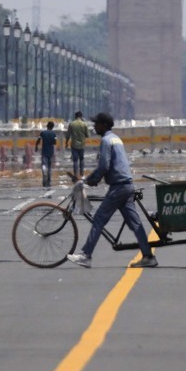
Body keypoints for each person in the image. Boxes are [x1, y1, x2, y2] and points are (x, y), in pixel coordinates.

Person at [67, 113, 157, 269]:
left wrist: (89, 180)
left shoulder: (106, 141)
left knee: (98, 219)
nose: (94, 127)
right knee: (135, 223)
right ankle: (148, 256)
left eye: (96, 124)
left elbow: (104, 166)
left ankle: (86, 256)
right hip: (127, 185)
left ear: (103, 125)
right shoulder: (116, 139)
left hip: (118, 187)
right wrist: (92, 179)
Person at [65, 111, 89, 180]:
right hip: (82, 145)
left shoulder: (72, 124)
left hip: (74, 145)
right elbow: (87, 135)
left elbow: (68, 135)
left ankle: (75, 175)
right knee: (81, 160)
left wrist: (66, 143)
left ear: (75, 116)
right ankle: (82, 174)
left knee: (75, 160)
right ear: (81, 116)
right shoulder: (84, 124)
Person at [35, 121, 58, 187]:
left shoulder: (43, 133)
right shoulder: (54, 134)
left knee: (44, 163)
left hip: (44, 150)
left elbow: (38, 140)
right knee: (50, 166)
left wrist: (36, 146)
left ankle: (44, 170)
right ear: (52, 127)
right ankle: (49, 179)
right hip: (51, 151)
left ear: (47, 126)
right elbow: (55, 142)